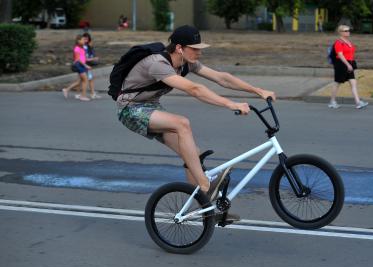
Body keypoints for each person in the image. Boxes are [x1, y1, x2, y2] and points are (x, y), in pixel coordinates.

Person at [116, 25, 276, 222]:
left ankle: (207, 209)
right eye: (195, 48)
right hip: (130, 109)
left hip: (151, 107)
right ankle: (205, 185)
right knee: (182, 124)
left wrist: (258, 91)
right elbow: (194, 89)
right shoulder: (157, 63)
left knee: (193, 154)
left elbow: (221, 78)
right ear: (179, 48)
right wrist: (230, 104)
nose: (199, 52)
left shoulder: (186, 63)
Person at [328, 25, 368, 109]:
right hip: (341, 65)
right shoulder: (338, 42)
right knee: (337, 83)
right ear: (340, 32)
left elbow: (350, 53)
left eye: (348, 30)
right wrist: (348, 65)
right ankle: (332, 102)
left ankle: (358, 102)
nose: (348, 32)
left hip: (349, 63)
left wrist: (351, 63)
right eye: (345, 31)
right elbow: (340, 55)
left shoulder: (348, 42)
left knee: (353, 82)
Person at [62, 34, 92, 102]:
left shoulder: (82, 48)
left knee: (79, 81)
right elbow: (78, 59)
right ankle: (83, 96)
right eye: (83, 40)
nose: (84, 41)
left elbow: (84, 58)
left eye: (85, 40)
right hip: (79, 65)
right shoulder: (77, 48)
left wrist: (91, 60)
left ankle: (66, 90)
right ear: (78, 41)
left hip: (82, 65)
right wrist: (86, 66)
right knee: (85, 80)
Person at [82, 32, 101, 99]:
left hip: (86, 65)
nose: (86, 40)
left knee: (88, 79)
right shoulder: (83, 47)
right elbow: (85, 59)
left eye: (87, 39)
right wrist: (94, 58)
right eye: (84, 39)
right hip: (84, 65)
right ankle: (90, 94)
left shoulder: (87, 46)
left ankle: (91, 93)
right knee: (87, 80)